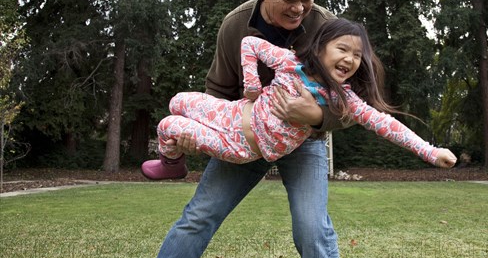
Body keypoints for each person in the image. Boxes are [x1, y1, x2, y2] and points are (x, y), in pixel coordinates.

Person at [148, 0, 346, 258]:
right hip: (245, 136)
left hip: (303, 142)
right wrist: (202, 135)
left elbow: (351, 104)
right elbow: (218, 93)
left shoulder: (326, 27)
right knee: (199, 216)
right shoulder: (235, 25)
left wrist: (314, 115)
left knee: (313, 231)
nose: (299, 8)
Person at [142, 19, 457, 177]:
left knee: (170, 125)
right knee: (177, 102)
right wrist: (252, 86)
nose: (350, 59)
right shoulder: (290, 62)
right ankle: (172, 156)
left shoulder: (344, 101)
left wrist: (431, 152)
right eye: (343, 49)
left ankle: (172, 164)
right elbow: (250, 43)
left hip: (241, 147)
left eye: (357, 55)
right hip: (232, 113)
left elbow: (387, 125)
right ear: (320, 48)